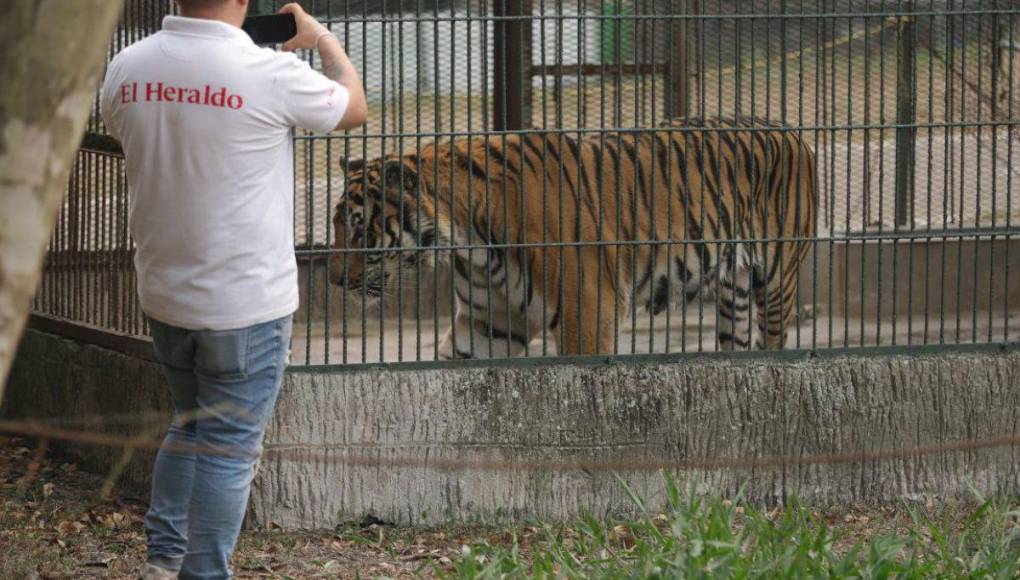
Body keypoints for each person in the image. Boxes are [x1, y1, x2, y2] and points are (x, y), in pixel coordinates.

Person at [100, 0, 366, 577]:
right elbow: (354, 108)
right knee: (228, 447)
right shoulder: (267, 73)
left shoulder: (127, 65)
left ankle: (164, 561)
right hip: (246, 303)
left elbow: (130, 138)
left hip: (166, 292)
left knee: (190, 422)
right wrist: (321, 40)